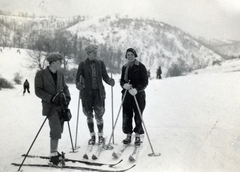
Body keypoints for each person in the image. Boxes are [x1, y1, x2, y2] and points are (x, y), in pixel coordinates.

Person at [34, 53, 71, 166]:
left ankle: (54, 151)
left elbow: (65, 87)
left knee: (59, 129)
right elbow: (38, 91)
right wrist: (51, 98)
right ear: (53, 62)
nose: (61, 64)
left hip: (61, 106)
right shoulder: (41, 74)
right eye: (60, 62)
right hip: (50, 107)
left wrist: (68, 97)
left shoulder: (60, 74)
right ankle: (53, 155)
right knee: (55, 129)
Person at [75, 44, 115, 145]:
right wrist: (78, 84)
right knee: (89, 115)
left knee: (99, 115)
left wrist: (110, 81)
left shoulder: (100, 63)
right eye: (94, 52)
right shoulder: (82, 64)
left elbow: (105, 76)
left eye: (96, 52)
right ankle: (92, 136)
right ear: (88, 53)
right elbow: (77, 78)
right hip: (86, 94)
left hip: (98, 93)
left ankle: (101, 136)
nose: (96, 53)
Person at [120, 48, 148, 146]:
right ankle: (128, 135)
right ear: (126, 56)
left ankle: (137, 135)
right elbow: (122, 81)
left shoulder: (141, 67)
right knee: (127, 115)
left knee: (138, 115)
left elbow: (145, 82)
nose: (130, 56)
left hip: (138, 95)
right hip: (127, 95)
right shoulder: (124, 67)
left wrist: (137, 89)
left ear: (135, 55)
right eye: (128, 55)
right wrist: (124, 85)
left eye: (131, 54)